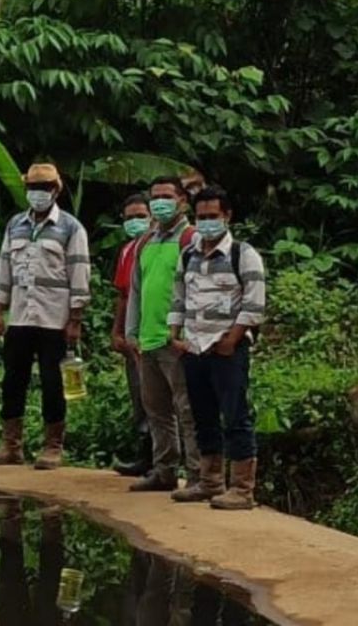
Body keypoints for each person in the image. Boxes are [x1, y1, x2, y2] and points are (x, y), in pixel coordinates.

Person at [0, 163, 90, 470]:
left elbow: (79, 273)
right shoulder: (15, 225)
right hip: (20, 316)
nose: (37, 194)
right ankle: (11, 445)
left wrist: (75, 320)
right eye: (32, 188)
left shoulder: (71, 228)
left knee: (52, 381)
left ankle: (52, 446)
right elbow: (4, 268)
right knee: (13, 380)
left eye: (43, 188)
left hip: (53, 318)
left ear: (55, 191)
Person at [169, 186, 266, 510]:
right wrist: (175, 334)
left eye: (213, 216)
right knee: (203, 415)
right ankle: (209, 481)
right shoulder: (188, 255)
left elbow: (254, 304)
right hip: (194, 346)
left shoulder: (243, 254)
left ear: (227, 216)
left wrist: (232, 339)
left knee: (236, 415)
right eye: (201, 217)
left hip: (227, 348)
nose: (207, 222)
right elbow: (179, 297)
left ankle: (242, 488)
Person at [125, 177, 199, 492]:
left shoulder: (190, 238)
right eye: (155, 197)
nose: (159, 203)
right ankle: (164, 469)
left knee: (187, 409)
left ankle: (197, 474)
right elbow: (136, 290)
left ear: (182, 200)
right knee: (156, 410)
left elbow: (198, 288)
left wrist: (188, 333)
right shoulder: (146, 242)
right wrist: (132, 333)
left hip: (177, 340)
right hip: (148, 339)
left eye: (167, 196)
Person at [111, 193, 152, 477]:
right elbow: (124, 295)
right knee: (139, 396)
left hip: (158, 333)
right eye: (129, 218)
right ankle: (146, 458)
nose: (135, 222)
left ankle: (168, 462)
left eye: (141, 216)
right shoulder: (127, 251)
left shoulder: (163, 247)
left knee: (162, 401)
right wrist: (118, 331)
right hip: (133, 334)